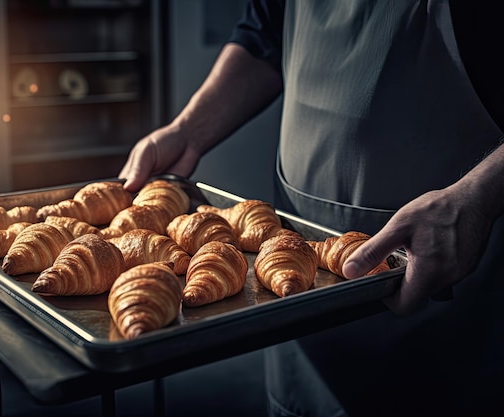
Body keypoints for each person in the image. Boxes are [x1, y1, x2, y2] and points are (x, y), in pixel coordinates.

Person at [119, 1, 504, 416]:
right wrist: (188, 131)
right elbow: (266, 33)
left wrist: (476, 196)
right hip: (290, 276)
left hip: (444, 274)